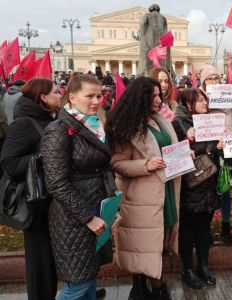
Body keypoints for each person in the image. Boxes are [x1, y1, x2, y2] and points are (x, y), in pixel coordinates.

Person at [40, 74, 115, 300]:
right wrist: (88, 217)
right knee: (79, 283)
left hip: (96, 209)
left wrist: (111, 207)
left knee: (89, 275)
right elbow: (56, 183)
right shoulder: (59, 130)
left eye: (100, 96)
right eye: (90, 96)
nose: (96, 101)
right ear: (72, 97)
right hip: (72, 218)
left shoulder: (94, 125)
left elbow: (102, 168)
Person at [106, 76, 180, 300]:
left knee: (157, 240)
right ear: (141, 98)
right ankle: (150, 288)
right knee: (144, 243)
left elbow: (169, 148)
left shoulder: (159, 120)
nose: (159, 99)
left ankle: (148, 285)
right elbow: (116, 163)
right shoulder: (126, 126)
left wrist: (184, 155)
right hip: (141, 196)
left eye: (160, 95)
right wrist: (145, 165)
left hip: (164, 190)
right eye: (154, 95)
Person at [0, 77, 61, 300]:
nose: (60, 94)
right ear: (43, 97)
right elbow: (8, 161)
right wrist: (43, 158)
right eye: (56, 91)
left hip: (54, 199)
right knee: (40, 265)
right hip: (36, 203)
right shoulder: (24, 122)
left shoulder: (51, 118)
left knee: (53, 261)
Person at [172, 88, 220, 289]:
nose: (204, 104)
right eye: (199, 100)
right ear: (187, 103)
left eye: (205, 100)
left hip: (209, 185)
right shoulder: (177, 124)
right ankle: (187, 269)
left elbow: (218, 154)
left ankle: (203, 265)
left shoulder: (211, 122)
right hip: (189, 188)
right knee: (187, 230)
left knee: (203, 229)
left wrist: (223, 144)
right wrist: (187, 140)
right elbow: (171, 156)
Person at [199, 65, 232, 243]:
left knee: (226, 188)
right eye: (209, 79)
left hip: (228, 148)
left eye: (215, 78)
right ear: (203, 81)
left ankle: (226, 226)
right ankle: (207, 229)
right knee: (208, 188)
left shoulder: (228, 94)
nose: (213, 81)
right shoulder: (199, 96)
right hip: (208, 149)